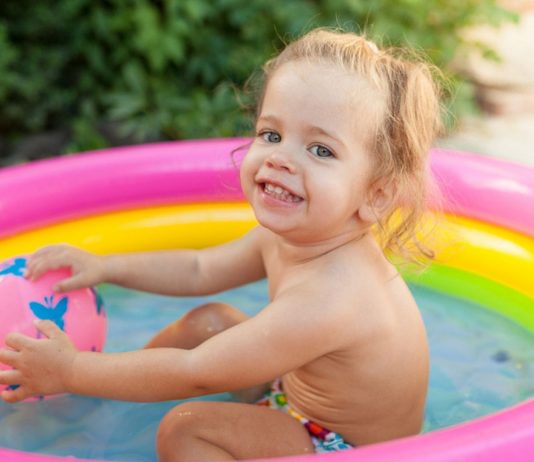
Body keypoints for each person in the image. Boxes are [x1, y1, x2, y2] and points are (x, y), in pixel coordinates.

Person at [0, 28, 442, 461]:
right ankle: (112, 404)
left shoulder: (333, 297)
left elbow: (196, 374)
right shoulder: (292, 239)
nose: (280, 158)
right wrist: (106, 266)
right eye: (271, 134)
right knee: (208, 321)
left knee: (188, 428)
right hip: (294, 401)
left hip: (346, 447)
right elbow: (199, 268)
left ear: (376, 196)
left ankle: (97, 386)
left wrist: (72, 371)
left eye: (321, 150)